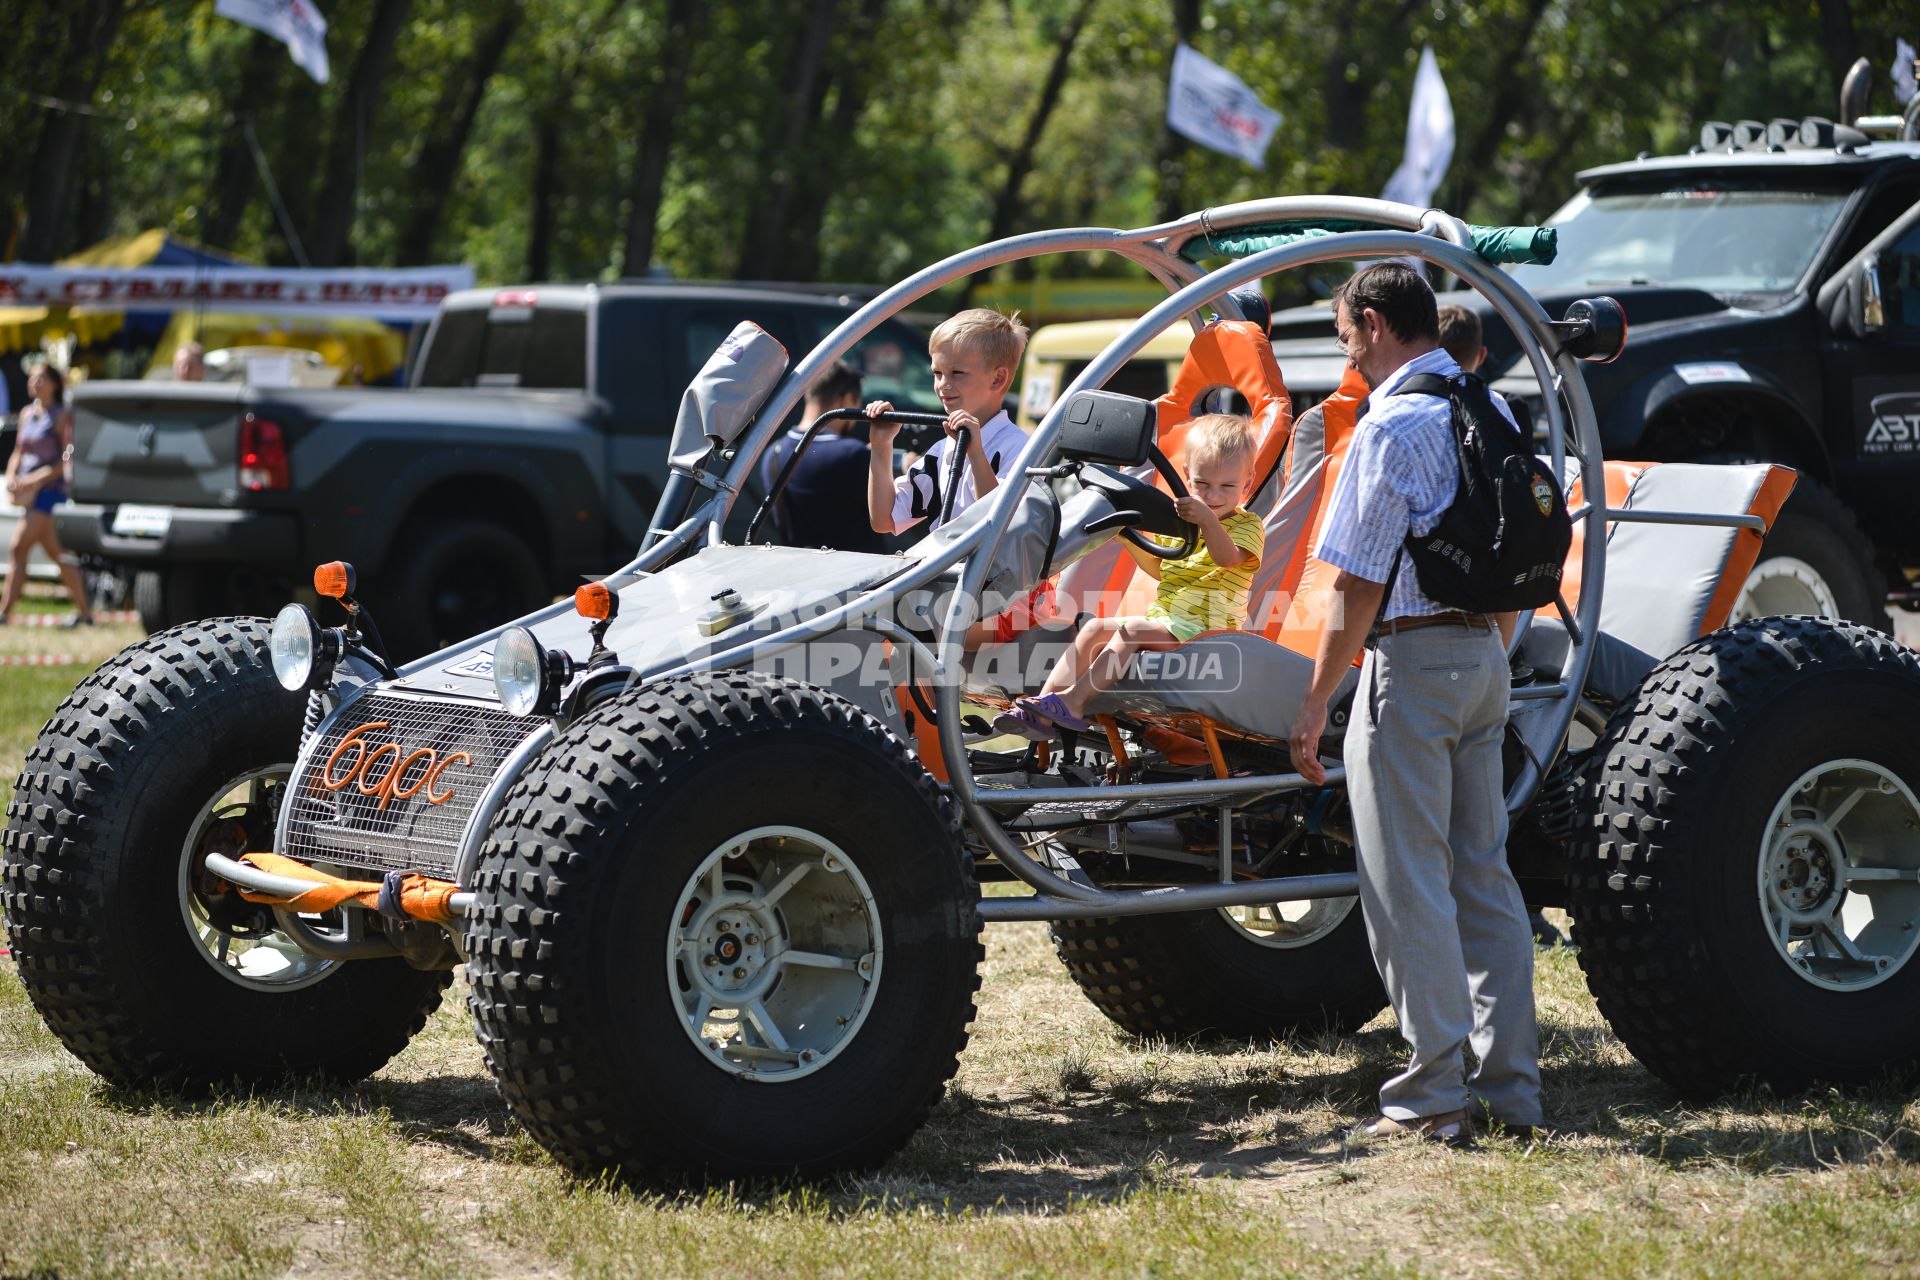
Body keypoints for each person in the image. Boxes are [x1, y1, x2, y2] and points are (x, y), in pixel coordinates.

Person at [1287, 263, 1540, 1145]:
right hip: (1485, 659)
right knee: (1485, 875)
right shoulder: (1492, 408)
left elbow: (1354, 584)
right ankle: (1512, 1090)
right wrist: (1490, 655)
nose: (1347, 353)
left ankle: (1434, 1095)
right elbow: (1523, 556)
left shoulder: (1388, 423)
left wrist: (1316, 701)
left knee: (1408, 885)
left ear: (1370, 322)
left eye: (1347, 335)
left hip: (1413, 661)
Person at [995, 413, 1262, 739]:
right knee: (1093, 627)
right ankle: (1043, 704)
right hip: (1171, 623)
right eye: (1203, 484)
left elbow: (1227, 559)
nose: (1213, 496)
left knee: (1132, 629)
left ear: (1246, 484)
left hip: (1212, 633)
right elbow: (1160, 570)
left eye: (1227, 486)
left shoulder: (1248, 526)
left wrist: (1207, 520)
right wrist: (1125, 536)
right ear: (1188, 477)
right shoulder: (1182, 527)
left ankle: (1074, 703)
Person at [865, 308, 1029, 538]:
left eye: (957, 373)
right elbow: (884, 519)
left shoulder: (1019, 448)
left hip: (986, 573)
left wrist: (975, 454)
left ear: (997, 378)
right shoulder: (943, 450)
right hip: (945, 572)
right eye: (937, 373)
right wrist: (882, 446)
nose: (942, 384)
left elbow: (1000, 526)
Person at [2, 363, 94, 626]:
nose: (35, 383)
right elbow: (19, 451)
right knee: (59, 554)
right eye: (32, 378)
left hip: (50, 493)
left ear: (54, 383)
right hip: (30, 493)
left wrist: (34, 479)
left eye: (41, 378)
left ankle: (4, 613)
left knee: (19, 546)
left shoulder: (61, 415)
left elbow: (66, 460)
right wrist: (12, 476)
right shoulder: (26, 414)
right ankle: (86, 614)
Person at [762, 360, 884, 553]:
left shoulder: (773, 453)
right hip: (857, 573)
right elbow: (889, 510)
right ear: (846, 400)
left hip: (799, 569)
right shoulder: (852, 454)